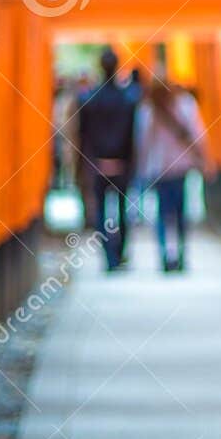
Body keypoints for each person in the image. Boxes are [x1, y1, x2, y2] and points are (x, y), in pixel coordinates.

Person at [75, 47, 141, 271]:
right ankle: (119, 252)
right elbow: (133, 135)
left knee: (101, 210)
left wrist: (84, 164)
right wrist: (132, 162)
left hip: (98, 162)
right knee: (122, 210)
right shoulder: (128, 100)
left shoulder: (89, 100)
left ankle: (109, 257)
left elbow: (82, 136)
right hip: (121, 163)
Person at [136, 76, 209, 272]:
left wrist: (142, 168)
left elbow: (143, 141)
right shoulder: (185, 104)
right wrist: (204, 159)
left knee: (162, 213)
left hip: (159, 168)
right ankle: (182, 254)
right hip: (181, 166)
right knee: (180, 212)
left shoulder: (148, 109)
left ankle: (164, 256)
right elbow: (198, 133)